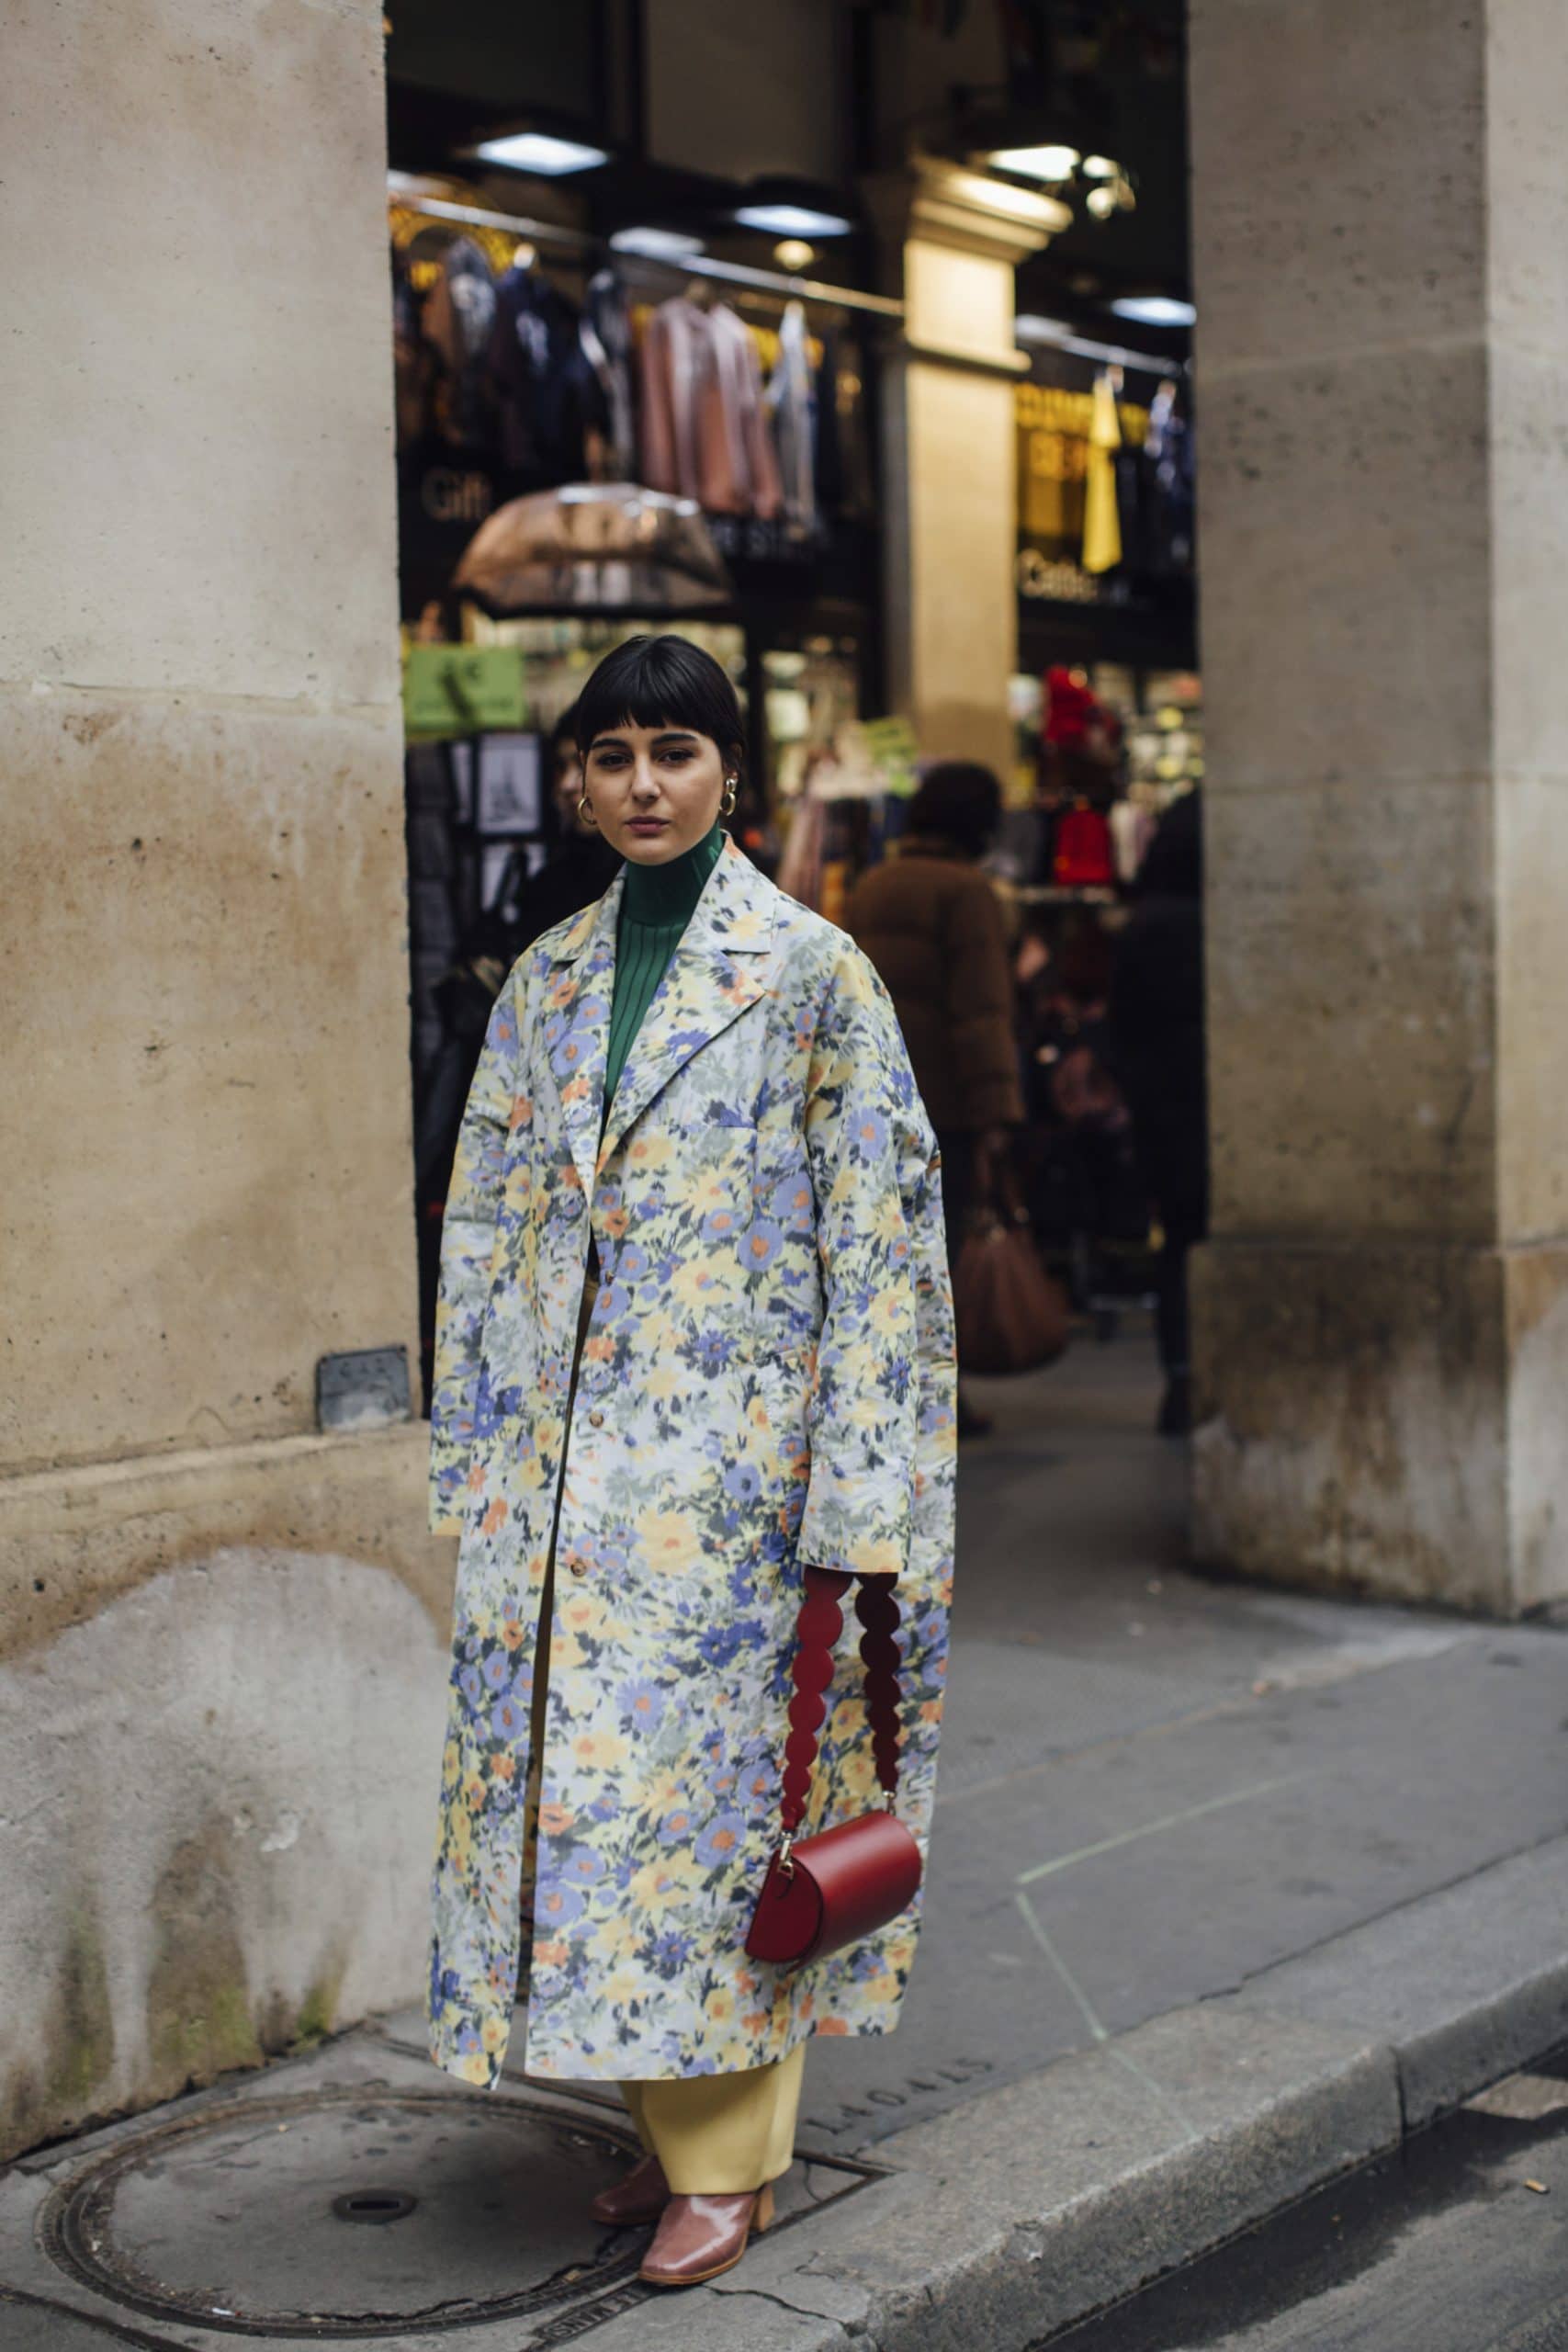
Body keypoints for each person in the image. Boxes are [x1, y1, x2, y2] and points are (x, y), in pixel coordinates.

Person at [427, 635, 956, 2290]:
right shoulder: (547, 979)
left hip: (740, 1487)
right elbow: (486, 1226)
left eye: (674, 750)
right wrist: (479, 1450)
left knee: (723, 1819)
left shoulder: (813, 975)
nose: (642, 783)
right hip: (566, 1479)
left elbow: (886, 1238)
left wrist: (861, 1491)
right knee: (595, 1824)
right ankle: (672, 2137)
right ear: (575, 781)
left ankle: (730, 2161)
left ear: (734, 770)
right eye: (612, 756)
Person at [844, 763, 1024, 1438]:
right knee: (934, 1255)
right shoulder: (966, 892)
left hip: (871, 1096)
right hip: (943, 1101)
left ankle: (878, 1391)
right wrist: (997, 1112)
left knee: (877, 1253)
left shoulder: (872, 885)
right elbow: (980, 1013)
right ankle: (935, 1398)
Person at [1107, 788, 1207, 1435]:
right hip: (1207, 1101)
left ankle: (1178, 1376)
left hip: (1161, 1108)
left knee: (1178, 1241)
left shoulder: (1143, 923)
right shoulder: (1218, 922)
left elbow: (1124, 1027)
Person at [510, 702, 622, 948]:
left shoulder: (648, 875)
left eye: (582, 767)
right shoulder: (550, 884)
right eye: (561, 767)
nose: (567, 785)